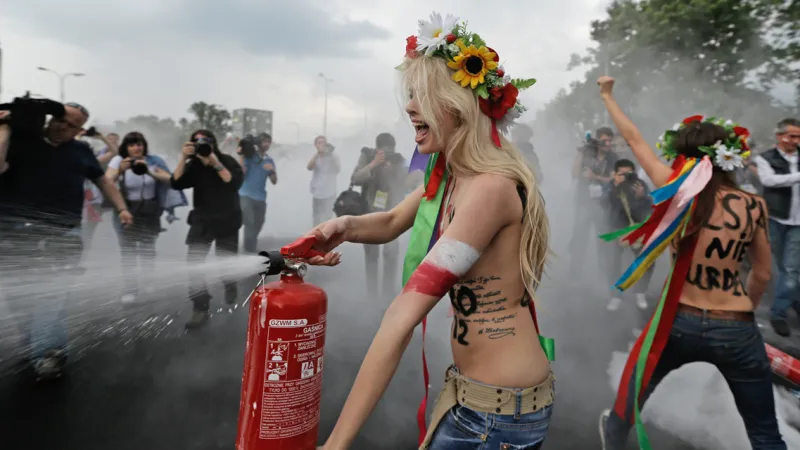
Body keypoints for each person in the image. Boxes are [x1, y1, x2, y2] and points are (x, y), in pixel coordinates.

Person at [306, 13, 554, 449]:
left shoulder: (489, 190)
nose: (409, 108)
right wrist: (343, 227)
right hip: (476, 400)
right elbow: (391, 221)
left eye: (423, 96)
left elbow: (402, 316)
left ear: (459, 106)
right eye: (410, 95)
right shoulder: (451, 178)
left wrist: (335, 443)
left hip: (497, 418)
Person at [594, 76, 785, 449]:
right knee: (764, 433)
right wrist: (743, 311)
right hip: (736, 326)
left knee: (631, 400)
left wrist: (607, 95)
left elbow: (633, 140)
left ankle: (614, 434)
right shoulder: (753, 204)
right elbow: (762, 273)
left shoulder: (675, 191)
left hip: (679, 322)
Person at [0, 103, 132, 379]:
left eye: (73, 126)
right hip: (15, 232)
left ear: (80, 130)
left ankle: (48, 353)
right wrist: (5, 127)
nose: (64, 127)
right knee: (18, 296)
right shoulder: (20, 140)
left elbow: (103, 181)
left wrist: (122, 208)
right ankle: (33, 345)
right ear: (50, 118)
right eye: (61, 119)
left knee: (52, 292)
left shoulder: (81, 151)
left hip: (64, 232)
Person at [170, 129, 244, 329]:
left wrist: (214, 162)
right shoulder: (193, 165)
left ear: (213, 143)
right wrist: (183, 158)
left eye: (206, 140)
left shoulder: (227, 160)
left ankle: (230, 283)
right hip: (202, 221)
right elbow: (176, 183)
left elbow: (233, 183)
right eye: (197, 141)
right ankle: (200, 308)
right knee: (194, 265)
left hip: (228, 219)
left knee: (225, 263)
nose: (202, 144)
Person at [105, 131, 178, 304]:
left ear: (144, 146)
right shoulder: (118, 160)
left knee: (148, 248)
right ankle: (130, 288)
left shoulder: (154, 161)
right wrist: (120, 170)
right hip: (126, 209)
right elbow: (106, 181)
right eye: (132, 145)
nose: (136, 148)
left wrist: (150, 172)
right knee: (128, 250)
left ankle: (148, 281)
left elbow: (171, 179)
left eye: (139, 144)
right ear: (126, 147)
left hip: (150, 210)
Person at [753, 118, 800, 336]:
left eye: (799, 136)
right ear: (780, 136)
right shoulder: (765, 158)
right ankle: (795, 302)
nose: (796, 140)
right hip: (776, 218)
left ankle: (778, 313)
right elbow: (768, 181)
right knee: (783, 267)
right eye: (792, 136)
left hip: (798, 223)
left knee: (791, 269)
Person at [351, 132, 410, 299]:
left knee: (391, 254)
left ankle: (388, 294)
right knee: (371, 255)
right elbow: (355, 179)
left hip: (391, 213)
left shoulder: (398, 160)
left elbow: (407, 183)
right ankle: (372, 295)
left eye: (391, 150)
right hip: (370, 213)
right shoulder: (367, 156)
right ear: (377, 149)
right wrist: (374, 164)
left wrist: (394, 170)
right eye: (385, 150)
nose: (388, 153)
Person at [604, 159, 653, 312]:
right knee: (613, 261)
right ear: (614, 174)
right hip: (617, 227)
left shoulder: (640, 185)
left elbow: (649, 207)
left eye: (629, 173)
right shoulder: (610, 187)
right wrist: (616, 187)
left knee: (645, 260)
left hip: (637, 226)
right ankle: (616, 295)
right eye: (622, 174)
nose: (625, 177)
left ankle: (640, 292)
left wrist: (641, 196)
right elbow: (604, 205)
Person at [238, 132, 276, 254]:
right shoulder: (249, 157)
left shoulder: (269, 160)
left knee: (259, 222)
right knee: (249, 222)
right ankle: (249, 249)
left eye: (269, 142)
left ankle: (250, 245)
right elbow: (241, 173)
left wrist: (272, 171)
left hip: (260, 197)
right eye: (264, 141)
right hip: (245, 195)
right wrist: (242, 155)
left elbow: (274, 181)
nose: (267, 144)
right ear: (258, 142)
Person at [307, 135, 341, 226]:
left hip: (330, 193)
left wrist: (331, 155)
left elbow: (338, 170)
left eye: (323, 142)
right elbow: (309, 167)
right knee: (316, 219)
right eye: (319, 143)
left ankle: (325, 234)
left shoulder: (333, 156)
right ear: (315, 145)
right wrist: (317, 154)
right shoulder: (315, 157)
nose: (322, 144)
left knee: (327, 220)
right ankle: (316, 234)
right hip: (317, 193)